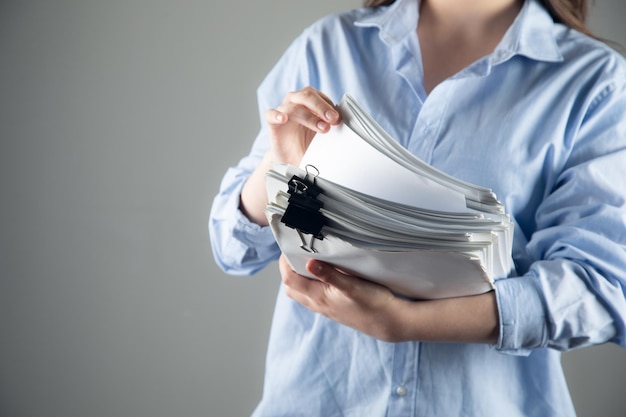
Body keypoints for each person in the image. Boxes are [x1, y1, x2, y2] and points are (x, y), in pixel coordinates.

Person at [209, 0, 626, 415]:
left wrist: (404, 325)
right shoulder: (329, 45)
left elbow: (600, 290)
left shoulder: (595, 80)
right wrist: (276, 170)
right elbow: (232, 246)